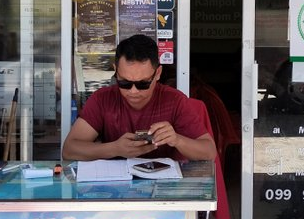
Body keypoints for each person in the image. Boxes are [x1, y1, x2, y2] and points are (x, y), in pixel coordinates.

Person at [62, 34, 216, 162]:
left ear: (157, 74)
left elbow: (209, 151)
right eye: (124, 82)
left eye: (142, 84)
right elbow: (69, 150)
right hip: (115, 189)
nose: (133, 91)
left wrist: (177, 140)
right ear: (115, 71)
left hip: (164, 190)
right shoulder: (103, 99)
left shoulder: (175, 101)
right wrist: (115, 148)